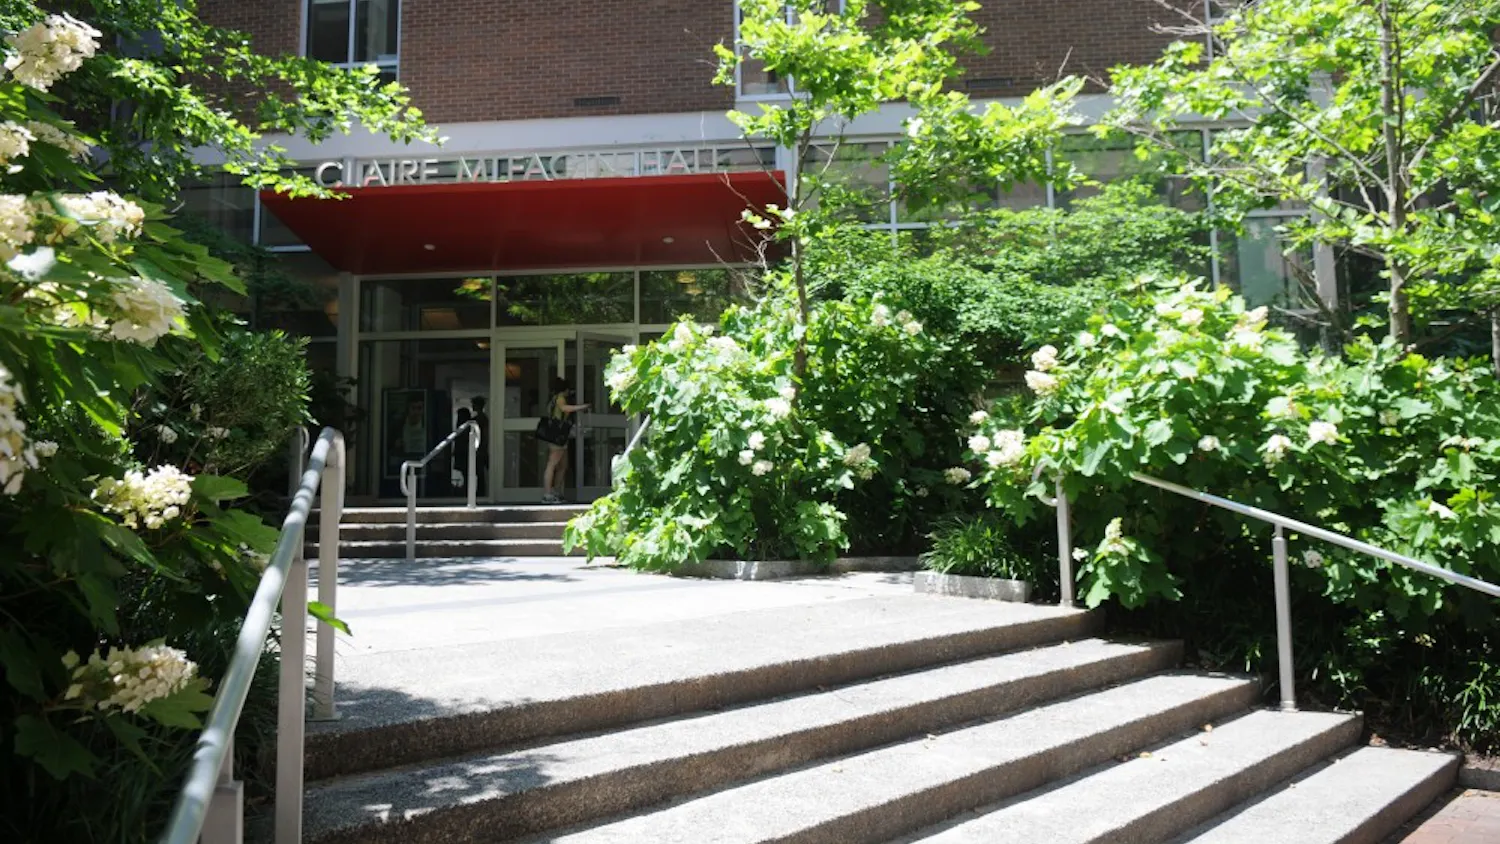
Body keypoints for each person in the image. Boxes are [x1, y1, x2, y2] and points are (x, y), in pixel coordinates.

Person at [541, 377, 589, 504]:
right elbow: (564, 408)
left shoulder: (552, 399)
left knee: (563, 464)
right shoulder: (560, 398)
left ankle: (555, 492)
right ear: (565, 389)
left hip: (556, 433)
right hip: (558, 434)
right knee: (552, 463)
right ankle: (547, 494)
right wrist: (581, 407)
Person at [470, 396, 491, 496]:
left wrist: (481, 447)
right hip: (480, 447)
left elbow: (484, 435)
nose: (472, 406)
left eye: (474, 404)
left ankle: (481, 492)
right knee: (480, 471)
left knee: (480, 471)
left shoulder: (480, 419)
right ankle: (481, 491)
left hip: (480, 448)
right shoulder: (481, 418)